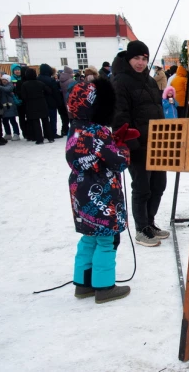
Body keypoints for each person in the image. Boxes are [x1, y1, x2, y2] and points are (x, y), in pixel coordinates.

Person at [66, 78, 134, 304]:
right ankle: (104, 287)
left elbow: (92, 155)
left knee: (88, 238)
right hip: (102, 194)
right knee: (107, 240)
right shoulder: (98, 131)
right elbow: (119, 163)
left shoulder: (74, 129)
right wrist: (122, 146)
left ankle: (83, 284)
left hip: (80, 193)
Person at [112, 40, 167, 247]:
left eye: (144, 58)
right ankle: (141, 228)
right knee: (142, 187)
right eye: (136, 58)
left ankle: (150, 223)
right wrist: (130, 143)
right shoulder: (120, 81)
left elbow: (157, 111)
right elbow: (119, 115)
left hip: (157, 143)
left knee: (158, 185)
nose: (140, 62)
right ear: (128, 58)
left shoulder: (151, 81)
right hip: (136, 145)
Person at [21, 68, 52, 144]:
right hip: (42, 103)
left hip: (31, 104)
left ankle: (39, 139)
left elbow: (23, 96)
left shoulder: (24, 84)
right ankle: (50, 137)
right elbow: (49, 91)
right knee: (45, 121)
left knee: (36, 123)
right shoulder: (40, 83)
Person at [37, 64, 65, 138]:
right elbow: (55, 92)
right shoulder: (50, 80)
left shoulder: (37, 78)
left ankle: (46, 133)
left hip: (41, 102)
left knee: (44, 119)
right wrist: (59, 102)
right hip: (51, 101)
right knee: (53, 118)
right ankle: (53, 132)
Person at [0, 74, 20, 140]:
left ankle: (16, 133)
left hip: (10, 106)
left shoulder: (10, 85)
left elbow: (7, 89)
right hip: (4, 107)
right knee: (5, 121)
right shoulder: (1, 86)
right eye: (3, 80)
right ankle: (8, 133)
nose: (4, 81)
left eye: (5, 80)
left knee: (13, 121)